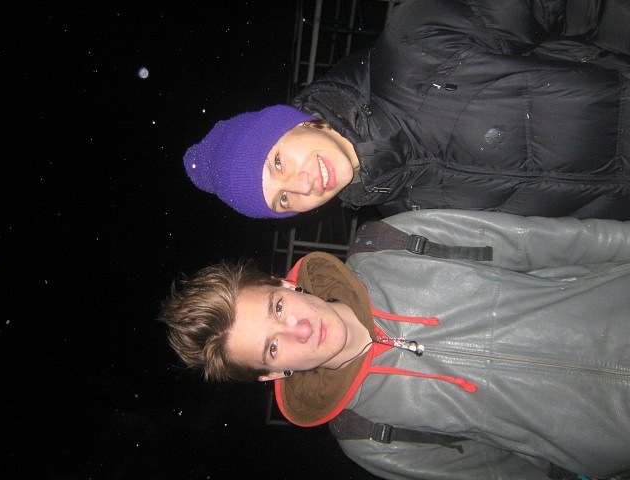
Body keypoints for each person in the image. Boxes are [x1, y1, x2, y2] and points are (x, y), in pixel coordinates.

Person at [159, 209, 630, 479]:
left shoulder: (391, 243)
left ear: (284, 283)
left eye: (277, 308)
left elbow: (548, 241)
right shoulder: (369, 437)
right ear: (272, 374)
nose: (299, 330)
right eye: (273, 348)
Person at [183, 0, 630, 221]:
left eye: (278, 163)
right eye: (283, 201)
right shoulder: (404, 213)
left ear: (292, 124)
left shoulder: (418, 45)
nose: (301, 186)